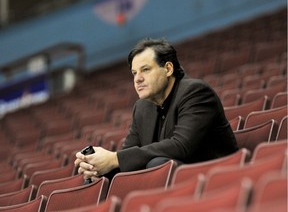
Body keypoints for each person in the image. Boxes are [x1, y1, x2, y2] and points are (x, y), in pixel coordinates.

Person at [74, 38, 238, 181]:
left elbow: (181, 146)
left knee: (158, 165)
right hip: (178, 180)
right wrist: (99, 168)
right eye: (134, 73)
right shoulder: (142, 107)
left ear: (168, 69)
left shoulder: (195, 92)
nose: (137, 79)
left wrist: (114, 159)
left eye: (145, 70)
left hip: (219, 175)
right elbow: (131, 158)